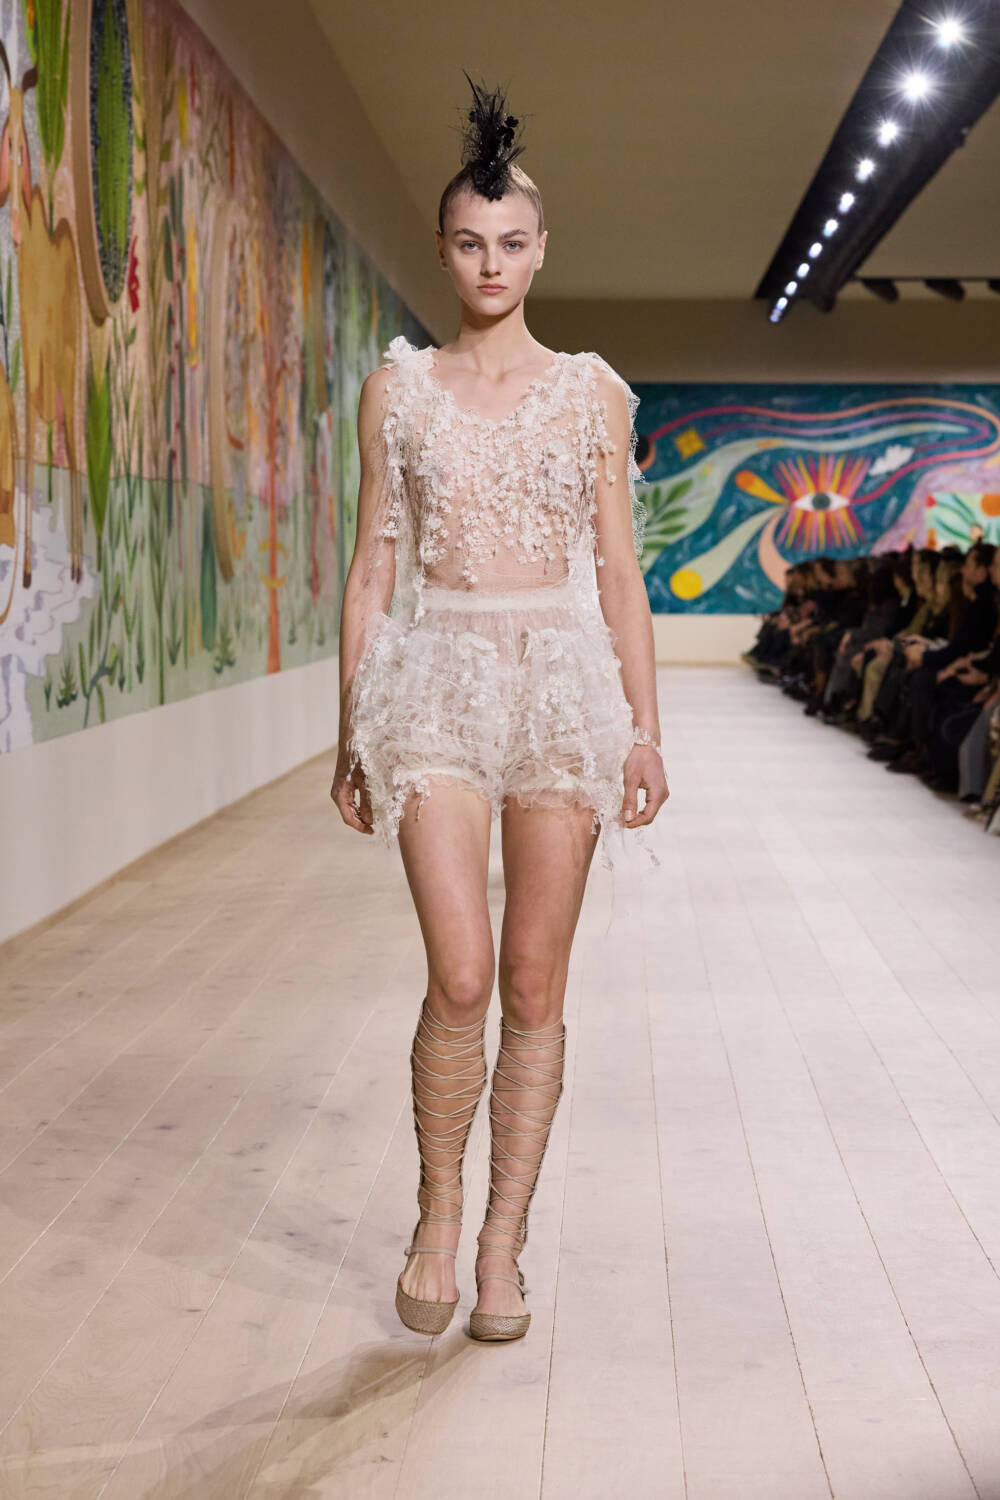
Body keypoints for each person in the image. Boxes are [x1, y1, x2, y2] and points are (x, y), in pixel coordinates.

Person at [329, 75, 668, 1344]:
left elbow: (620, 572)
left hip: (561, 691)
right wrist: (349, 728)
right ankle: (435, 1213)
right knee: (461, 972)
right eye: (470, 242)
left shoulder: (591, 392)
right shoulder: (397, 391)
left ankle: (500, 1245)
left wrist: (644, 727)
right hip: (430, 683)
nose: (490, 262)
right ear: (442, 247)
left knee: (531, 979)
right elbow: (370, 570)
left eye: (511, 242)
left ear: (539, 250)